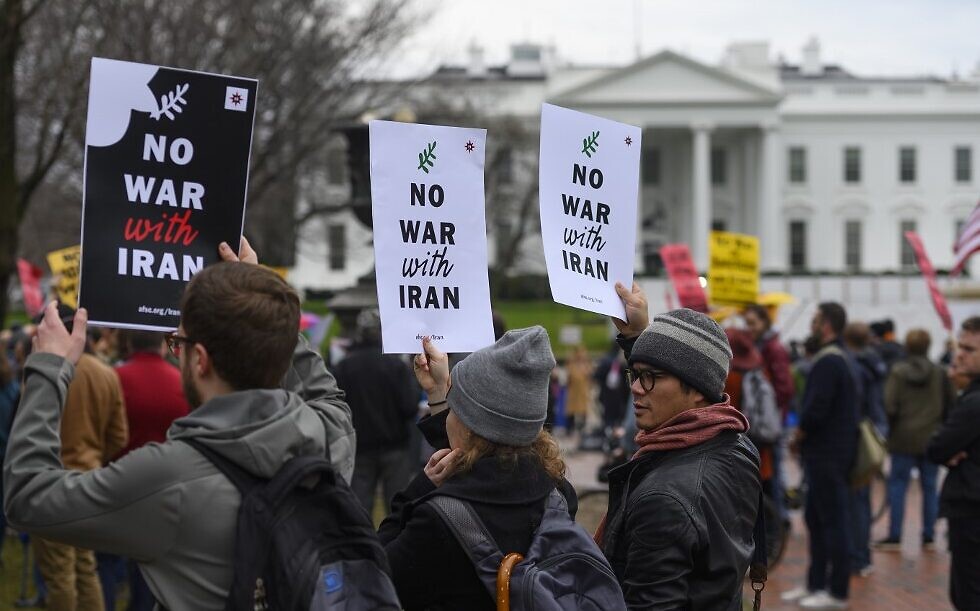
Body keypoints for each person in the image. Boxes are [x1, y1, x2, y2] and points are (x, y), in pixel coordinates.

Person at [3, 239, 355, 611]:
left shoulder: (168, 476)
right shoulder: (326, 437)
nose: (176, 349)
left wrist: (47, 369)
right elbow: (327, 398)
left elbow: (29, 496)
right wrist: (265, 311)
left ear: (199, 359)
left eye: (178, 341)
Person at [378, 327, 579, 610]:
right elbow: (483, 454)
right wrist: (439, 392)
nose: (449, 417)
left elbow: (375, 577)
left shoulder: (437, 521)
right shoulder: (559, 495)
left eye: (454, 406)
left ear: (469, 426)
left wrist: (418, 490)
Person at [596, 283, 761, 609]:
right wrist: (638, 336)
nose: (636, 389)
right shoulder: (736, 442)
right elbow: (675, 367)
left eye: (649, 377)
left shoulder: (664, 498)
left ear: (698, 389)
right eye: (635, 374)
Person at [29, 303, 128, 611]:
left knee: (59, 574)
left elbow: (28, 426)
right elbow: (119, 436)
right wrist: (94, 455)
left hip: (51, 479)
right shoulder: (105, 374)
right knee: (86, 568)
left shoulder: (43, 371)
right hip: (89, 478)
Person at [784, 302, 860, 610]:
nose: (811, 327)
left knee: (832, 523)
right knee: (816, 520)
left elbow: (816, 410)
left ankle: (836, 592)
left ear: (826, 324)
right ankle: (815, 584)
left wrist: (798, 436)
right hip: (829, 453)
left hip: (828, 454)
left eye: (815, 321)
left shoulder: (829, 362)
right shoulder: (841, 358)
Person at [111, 330, 191, 611]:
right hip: (167, 485)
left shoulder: (115, 378)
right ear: (161, 345)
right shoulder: (181, 381)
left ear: (130, 342)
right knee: (150, 566)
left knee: (107, 562)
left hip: (118, 481)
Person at [332, 308, 419, 513]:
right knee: (397, 510)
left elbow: (337, 405)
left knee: (360, 508)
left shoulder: (344, 366)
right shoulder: (396, 366)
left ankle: (362, 546)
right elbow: (409, 406)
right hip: (395, 446)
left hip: (360, 445)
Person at [876, 329, 954, 552]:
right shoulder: (940, 372)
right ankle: (929, 534)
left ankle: (895, 535)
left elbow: (889, 404)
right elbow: (951, 404)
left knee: (898, 486)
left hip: (902, 438)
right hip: (932, 437)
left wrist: (893, 426)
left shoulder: (898, 373)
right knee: (930, 487)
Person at [926, 316, 980, 610]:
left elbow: (937, 447)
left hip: (971, 511)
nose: (959, 354)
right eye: (960, 346)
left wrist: (950, 449)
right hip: (968, 507)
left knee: (968, 595)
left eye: (969, 349)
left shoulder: (974, 403)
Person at [842, 321, 887, 577]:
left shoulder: (852, 366)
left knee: (853, 500)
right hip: (872, 436)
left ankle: (856, 557)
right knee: (862, 500)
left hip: (854, 437)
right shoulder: (875, 364)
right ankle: (863, 556)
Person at [744, 304, 794, 527]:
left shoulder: (772, 348)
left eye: (753, 323)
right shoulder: (762, 346)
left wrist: (770, 408)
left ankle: (780, 518)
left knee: (773, 469)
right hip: (767, 420)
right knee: (769, 468)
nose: (750, 328)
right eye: (748, 324)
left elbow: (785, 388)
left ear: (764, 322)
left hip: (771, 422)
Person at [564, 345, 594, 434]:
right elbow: (569, 377)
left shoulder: (586, 364)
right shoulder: (571, 364)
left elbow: (589, 376)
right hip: (573, 391)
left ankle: (582, 427)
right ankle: (570, 428)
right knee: (571, 410)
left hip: (582, 391)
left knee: (583, 409)